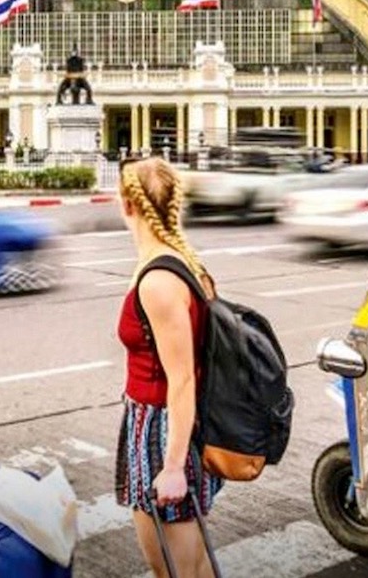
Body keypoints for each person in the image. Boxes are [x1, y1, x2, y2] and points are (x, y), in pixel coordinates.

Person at [114, 156, 222, 578]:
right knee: (194, 565)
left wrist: (173, 466)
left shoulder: (159, 282)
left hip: (163, 432)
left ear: (127, 204)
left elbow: (181, 381)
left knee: (174, 571)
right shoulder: (184, 262)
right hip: (167, 426)